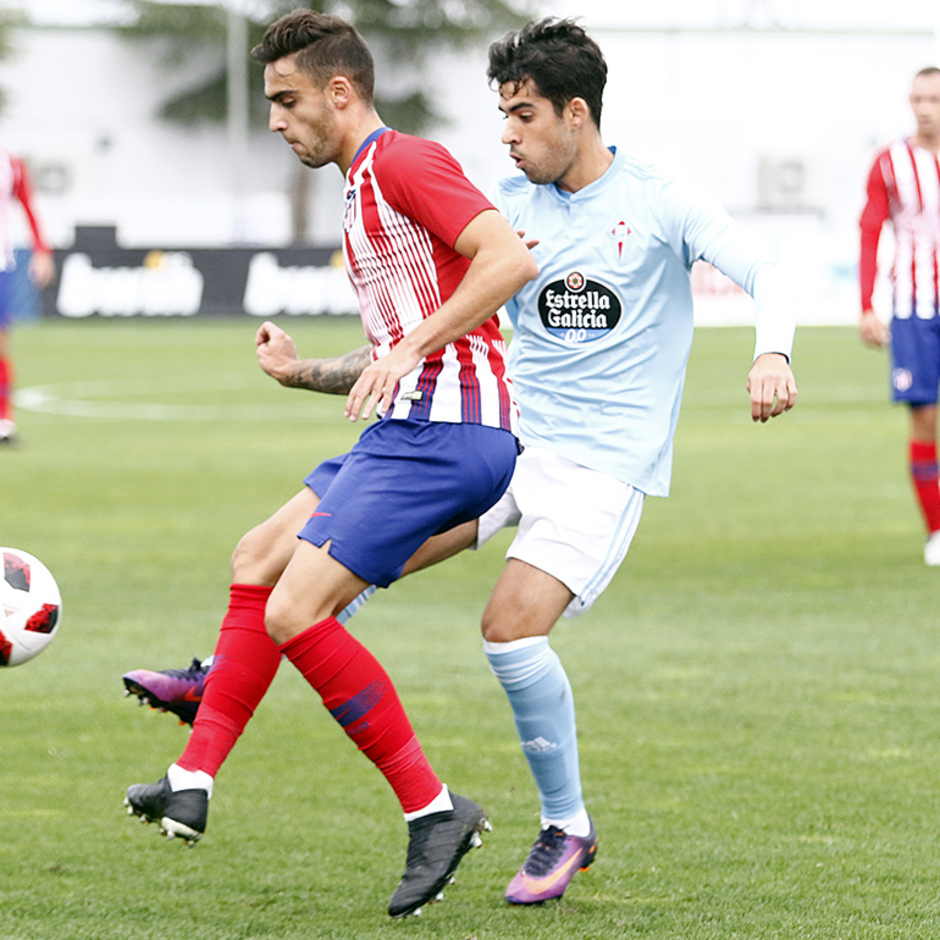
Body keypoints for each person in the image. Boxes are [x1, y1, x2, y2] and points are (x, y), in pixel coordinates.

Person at [125, 16, 798, 907]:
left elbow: (771, 270)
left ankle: (567, 824)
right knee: (329, 567)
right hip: (508, 438)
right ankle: (226, 680)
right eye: (502, 117)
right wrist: (303, 374)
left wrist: (773, 352)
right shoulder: (512, 207)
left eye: (523, 117)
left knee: (509, 627)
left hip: (601, 462)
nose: (508, 137)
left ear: (577, 114)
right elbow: (430, 346)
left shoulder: (661, 199)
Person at [123, 9, 538, 920]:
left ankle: (435, 810)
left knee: (294, 610)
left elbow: (506, 259)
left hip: (453, 435)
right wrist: (302, 371)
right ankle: (192, 776)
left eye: (286, 99)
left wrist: (407, 349)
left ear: (339, 92)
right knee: (256, 560)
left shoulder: (403, 160)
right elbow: (389, 353)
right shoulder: (360, 189)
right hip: (404, 429)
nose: (275, 120)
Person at [859, 66, 940, 565]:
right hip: (914, 307)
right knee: (924, 419)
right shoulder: (890, 162)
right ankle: (937, 531)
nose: (925, 107)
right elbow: (870, 230)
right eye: (918, 98)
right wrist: (867, 303)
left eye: (933, 98)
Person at [0, 148, 55, 443]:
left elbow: (28, 206)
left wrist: (42, 250)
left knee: (0, 344)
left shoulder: (10, 164)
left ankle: (2, 422)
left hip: (0, 265)